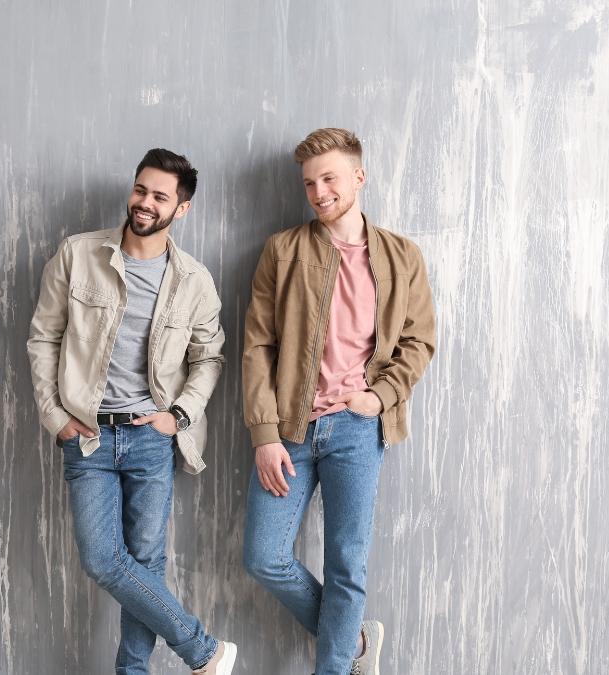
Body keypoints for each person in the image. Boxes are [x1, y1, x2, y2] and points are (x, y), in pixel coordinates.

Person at [27, 148, 236, 675]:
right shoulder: (78, 254)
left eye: (160, 196)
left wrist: (179, 416)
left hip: (151, 438)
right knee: (103, 559)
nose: (145, 202)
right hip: (89, 436)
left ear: (181, 208)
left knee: (145, 565)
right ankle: (205, 651)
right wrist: (56, 418)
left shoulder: (194, 279)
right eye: (141, 189)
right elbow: (43, 337)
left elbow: (209, 357)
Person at [241, 128, 436, 675]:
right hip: (290, 429)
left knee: (347, 565)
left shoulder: (402, 255)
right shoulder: (282, 250)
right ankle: (353, 643)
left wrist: (380, 396)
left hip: (356, 428)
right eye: (309, 183)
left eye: (329, 179)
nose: (319, 192)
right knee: (264, 557)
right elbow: (257, 345)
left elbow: (420, 340)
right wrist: (264, 435)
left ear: (359, 177)